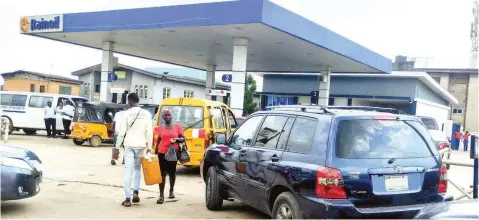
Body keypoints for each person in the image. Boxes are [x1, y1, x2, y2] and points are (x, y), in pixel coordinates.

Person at [114, 93, 153, 207]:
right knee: (137, 170)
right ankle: (136, 192)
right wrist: (149, 147)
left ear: (130, 101)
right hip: (141, 146)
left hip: (129, 146)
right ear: (138, 100)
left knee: (128, 171)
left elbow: (121, 133)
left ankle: (127, 199)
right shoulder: (146, 114)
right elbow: (149, 132)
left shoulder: (126, 113)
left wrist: (117, 147)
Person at [153, 109, 185, 204]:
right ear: (162, 117)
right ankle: (161, 195)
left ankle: (171, 190)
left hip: (173, 153)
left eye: (169, 115)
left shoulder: (177, 127)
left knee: (172, 172)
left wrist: (177, 139)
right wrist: (155, 152)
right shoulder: (160, 128)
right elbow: (158, 140)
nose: (167, 117)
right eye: (165, 115)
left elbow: (183, 138)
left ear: (172, 116)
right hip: (162, 153)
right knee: (162, 174)